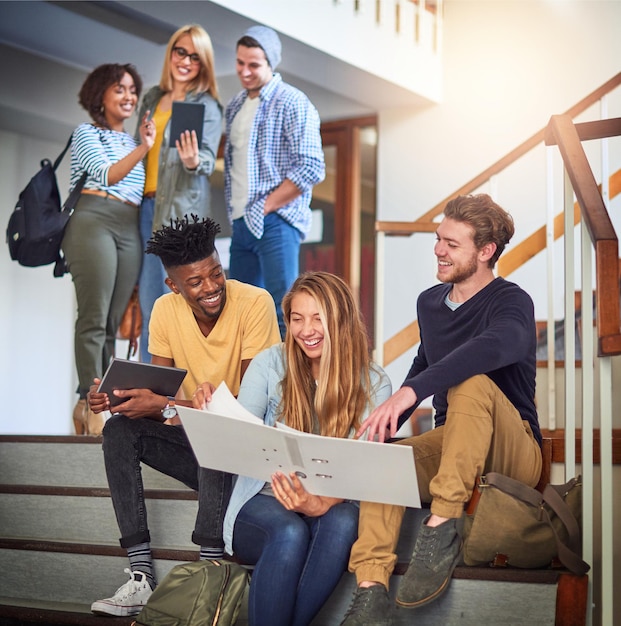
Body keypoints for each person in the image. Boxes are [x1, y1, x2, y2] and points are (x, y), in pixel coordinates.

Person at [340, 194, 543, 625]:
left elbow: (492, 347)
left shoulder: (511, 302)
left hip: (512, 449)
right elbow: (427, 362)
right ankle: (371, 590)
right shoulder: (430, 303)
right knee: (383, 457)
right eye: (438, 239)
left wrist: (411, 393)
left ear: (485, 252)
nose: (438, 249)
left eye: (452, 243)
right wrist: (385, 417)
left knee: (471, 379)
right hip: (452, 441)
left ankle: (442, 524)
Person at [87, 216, 281, 617]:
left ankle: (209, 567)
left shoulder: (255, 303)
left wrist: (166, 406)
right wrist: (120, 399)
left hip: (248, 457)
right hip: (200, 448)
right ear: (173, 286)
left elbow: (248, 411)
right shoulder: (164, 311)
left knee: (214, 428)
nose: (210, 287)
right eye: (195, 282)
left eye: (216, 273)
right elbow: (161, 399)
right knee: (121, 431)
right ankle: (141, 576)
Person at [192, 271, 391, 626]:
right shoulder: (270, 363)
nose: (306, 330)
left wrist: (317, 503)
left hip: (329, 504)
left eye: (318, 318)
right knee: (290, 531)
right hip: (262, 502)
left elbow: (363, 468)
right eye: (297, 319)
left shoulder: (375, 383)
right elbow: (238, 433)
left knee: (345, 518)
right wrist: (211, 408)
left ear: (340, 320)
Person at [62, 63, 155, 436]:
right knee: (94, 318)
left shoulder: (135, 143)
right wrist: (146, 147)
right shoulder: (86, 133)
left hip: (128, 224)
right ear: (100, 94)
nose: (129, 96)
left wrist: (145, 146)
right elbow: (107, 174)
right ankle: (91, 401)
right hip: (92, 218)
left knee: (114, 322)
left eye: (133, 89)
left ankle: (101, 401)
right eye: (120, 89)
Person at [224, 25, 325, 338]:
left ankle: (290, 388)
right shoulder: (234, 106)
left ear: (271, 63)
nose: (244, 71)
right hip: (241, 224)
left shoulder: (293, 102)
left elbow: (311, 167)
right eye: (240, 63)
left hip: (276, 221)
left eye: (253, 64)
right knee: (241, 315)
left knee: (285, 312)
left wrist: (266, 206)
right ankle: (250, 387)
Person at [136, 24, 223, 363]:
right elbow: (139, 149)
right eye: (180, 51)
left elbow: (204, 157)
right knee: (149, 302)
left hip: (179, 214)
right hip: (145, 207)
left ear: (204, 64)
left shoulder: (207, 105)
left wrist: (193, 159)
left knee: (171, 302)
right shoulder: (152, 98)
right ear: (170, 53)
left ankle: (173, 394)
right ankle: (145, 395)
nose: (185, 61)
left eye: (194, 57)